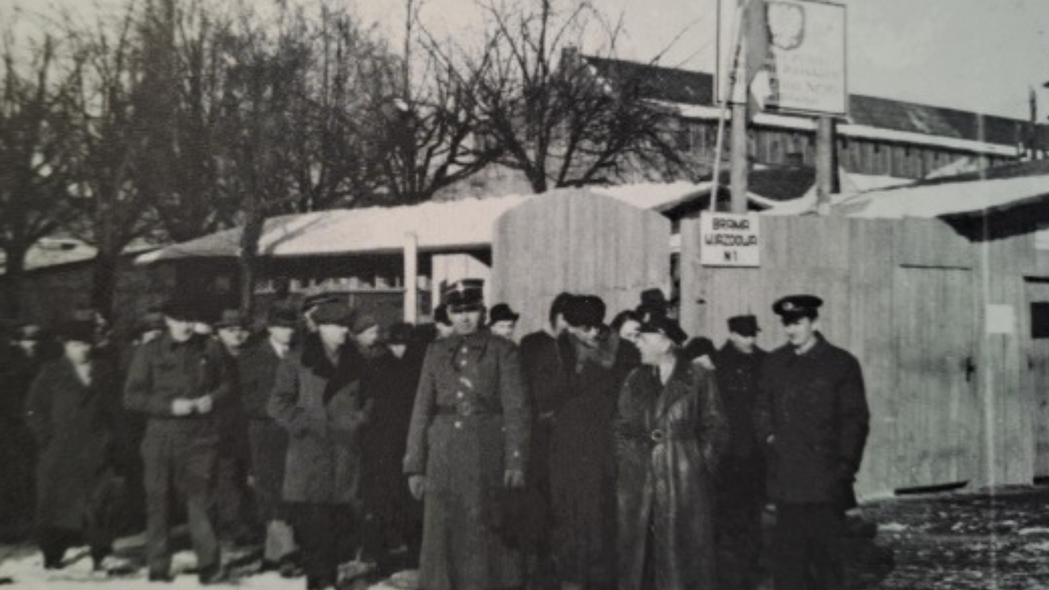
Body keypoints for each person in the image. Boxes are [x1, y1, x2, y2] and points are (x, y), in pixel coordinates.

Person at [403, 278, 530, 590]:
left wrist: (516, 461)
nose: (464, 317)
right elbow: (421, 409)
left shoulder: (502, 351)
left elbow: (517, 409)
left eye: (471, 310)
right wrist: (415, 464)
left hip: (485, 452)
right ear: (448, 313)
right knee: (441, 538)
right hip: (443, 455)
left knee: (480, 534)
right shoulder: (435, 352)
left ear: (482, 311)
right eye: (457, 311)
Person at [755, 295, 870, 590]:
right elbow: (761, 408)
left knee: (826, 561)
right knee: (788, 562)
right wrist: (770, 437)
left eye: (798, 322)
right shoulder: (775, 362)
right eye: (786, 323)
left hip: (825, 481)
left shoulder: (840, 363)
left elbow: (854, 421)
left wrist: (844, 470)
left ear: (814, 322)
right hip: (787, 480)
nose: (791, 330)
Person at [615, 316, 727, 590]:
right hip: (640, 481)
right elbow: (620, 425)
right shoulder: (635, 378)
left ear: (665, 342)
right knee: (642, 557)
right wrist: (629, 461)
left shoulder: (699, 378)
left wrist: (697, 466)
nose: (637, 343)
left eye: (644, 337)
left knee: (681, 559)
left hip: (683, 481)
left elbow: (716, 427)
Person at [124, 298, 230, 584]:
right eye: (178, 320)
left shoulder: (210, 347)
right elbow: (132, 396)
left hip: (200, 437)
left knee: (202, 502)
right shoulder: (149, 352)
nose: (185, 326)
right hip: (161, 437)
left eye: (189, 320)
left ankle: (209, 565)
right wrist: (169, 407)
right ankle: (158, 566)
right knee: (159, 502)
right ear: (167, 321)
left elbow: (227, 385)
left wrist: (213, 399)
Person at [268, 301, 371, 590]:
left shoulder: (358, 359)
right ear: (322, 328)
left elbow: (369, 399)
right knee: (315, 530)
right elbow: (277, 404)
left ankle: (337, 577)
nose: (343, 331)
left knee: (343, 526)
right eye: (337, 325)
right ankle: (319, 581)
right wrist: (307, 424)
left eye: (346, 326)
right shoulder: (298, 360)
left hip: (345, 453)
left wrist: (360, 419)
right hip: (310, 455)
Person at [25, 320, 123, 571]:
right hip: (60, 451)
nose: (83, 350)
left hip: (97, 448)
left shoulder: (104, 371)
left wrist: (111, 438)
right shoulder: (51, 372)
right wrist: (47, 439)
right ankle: (52, 553)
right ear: (66, 346)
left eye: (87, 344)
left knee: (100, 503)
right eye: (77, 345)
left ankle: (101, 552)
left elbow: (116, 409)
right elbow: (34, 410)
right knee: (55, 504)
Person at [547, 295, 629, 590]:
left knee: (602, 516)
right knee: (568, 515)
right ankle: (570, 578)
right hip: (567, 448)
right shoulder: (557, 350)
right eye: (583, 328)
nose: (592, 334)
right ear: (571, 327)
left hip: (605, 447)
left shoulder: (622, 349)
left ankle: (600, 579)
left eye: (595, 327)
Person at [518, 292, 574, 590]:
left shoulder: (576, 348)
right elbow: (521, 386)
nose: (569, 325)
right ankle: (536, 567)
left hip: (567, 435)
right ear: (554, 316)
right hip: (538, 434)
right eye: (565, 318)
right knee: (537, 500)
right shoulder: (532, 344)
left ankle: (558, 563)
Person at [360, 322, 424, 573]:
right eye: (395, 344)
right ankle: (384, 550)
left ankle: (412, 549)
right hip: (384, 440)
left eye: (404, 344)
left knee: (411, 496)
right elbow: (368, 402)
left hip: (409, 438)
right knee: (385, 496)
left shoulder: (419, 365)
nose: (399, 349)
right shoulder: (376, 365)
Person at [712, 315, 767, 590]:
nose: (751, 340)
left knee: (752, 513)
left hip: (755, 454)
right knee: (727, 515)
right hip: (728, 455)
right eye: (745, 335)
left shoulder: (765, 362)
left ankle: (750, 570)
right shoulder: (717, 364)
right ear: (732, 334)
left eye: (753, 334)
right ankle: (729, 574)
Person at [213, 309, 256, 544]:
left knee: (243, 476)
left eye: (241, 330)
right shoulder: (213, 357)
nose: (237, 335)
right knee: (225, 477)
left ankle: (242, 525)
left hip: (245, 425)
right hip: (221, 427)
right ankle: (229, 528)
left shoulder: (249, 357)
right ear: (220, 333)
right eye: (231, 331)